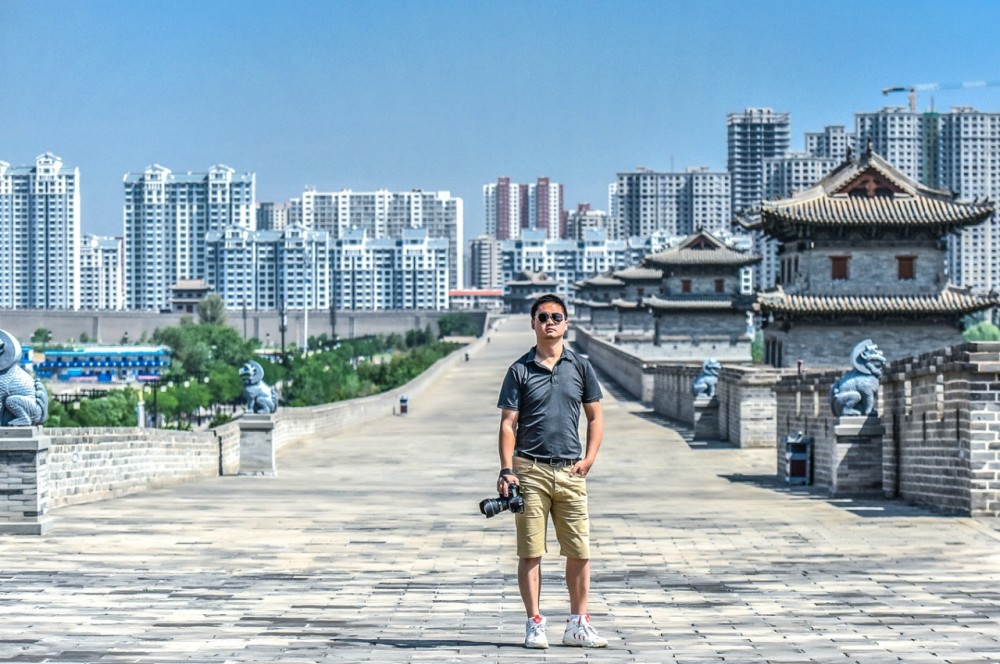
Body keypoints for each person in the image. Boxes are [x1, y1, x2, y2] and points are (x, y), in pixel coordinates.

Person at [495, 293, 607, 649]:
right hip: (529, 471)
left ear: (566, 323)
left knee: (579, 550)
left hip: (571, 472)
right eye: (543, 316)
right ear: (533, 323)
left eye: (556, 317)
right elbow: (508, 424)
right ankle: (535, 623)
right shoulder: (519, 370)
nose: (550, 322)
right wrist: (507, 469)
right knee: (531, 551)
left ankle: (578, 624)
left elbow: (595, 416)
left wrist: (589, 459)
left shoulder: (580, 367)